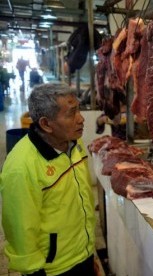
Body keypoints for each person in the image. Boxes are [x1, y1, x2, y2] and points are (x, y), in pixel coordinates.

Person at [0, 83, 96, 275]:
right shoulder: (21, 167)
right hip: (54, 269)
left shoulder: (74, 144)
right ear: (45, 124)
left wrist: (88, 252)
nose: (81, 119)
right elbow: (21, 232)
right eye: (71, 114)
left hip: (83, 254)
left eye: (79, 110)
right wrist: (34, 272)